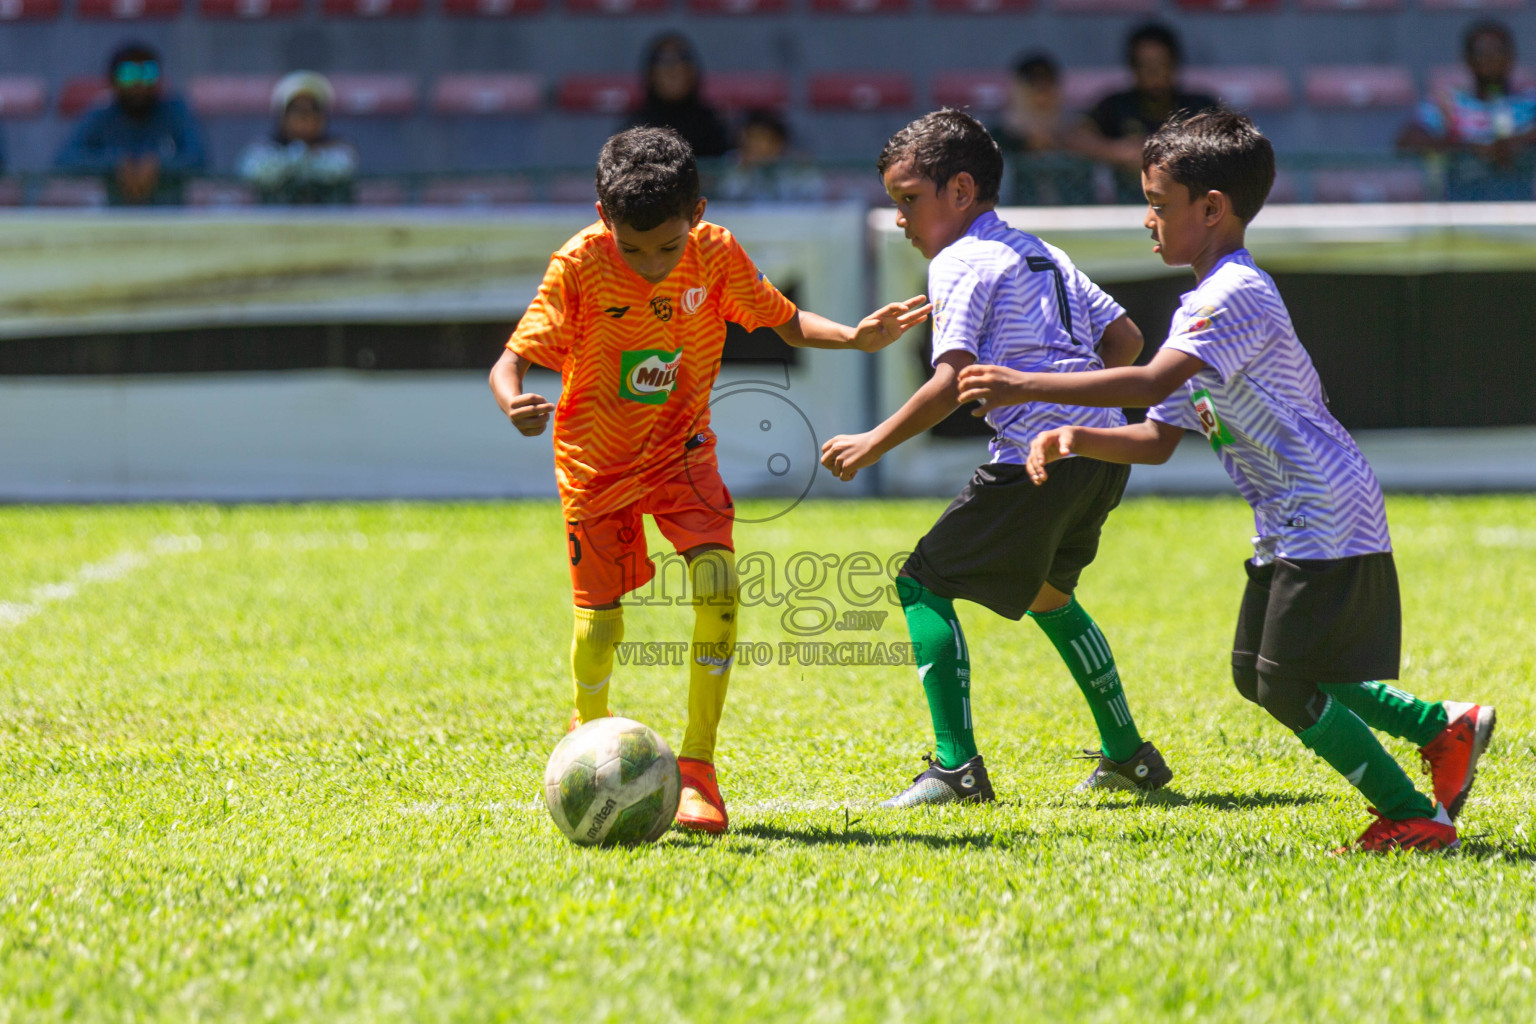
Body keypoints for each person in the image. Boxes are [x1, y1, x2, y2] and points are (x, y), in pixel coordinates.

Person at [958, 110, 1496, 853]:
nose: (1147, 220)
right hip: (1292, 515)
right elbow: (1155, 438)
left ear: (1212, 208)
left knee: (1286, 681)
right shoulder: (1201, 309)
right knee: (1260, 671)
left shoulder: (1230, 295)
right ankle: (1442, 728)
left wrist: (1024, 383)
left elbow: (1148, 380)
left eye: (1159, 203)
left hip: (1324, 508)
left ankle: (1411, 815)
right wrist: (1075, 434)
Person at [489, 127, 931, 834]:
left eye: (667, 247)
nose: (653, 264)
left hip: (681, 453)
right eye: (634, 249)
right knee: (602, 628)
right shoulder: (579, 265)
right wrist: (513, 400)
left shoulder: (715, 255)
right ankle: (589, 733)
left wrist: (853, 335)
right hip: (595, 465)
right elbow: (510, 360)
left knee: (719, 593)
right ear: (605, 219)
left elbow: (784, 323)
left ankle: (699, 769)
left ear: (696, 213)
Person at [819, 109, 1170, 807]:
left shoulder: (960, 260)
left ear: (960, 190)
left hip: (1036, 458)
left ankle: (955, 769)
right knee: (1051, 596)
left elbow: (951, 382)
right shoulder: (1039, 251)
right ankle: (1130, 756)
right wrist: (1073, 401)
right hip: (1100, 452)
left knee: (922, 582)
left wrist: (870, 443)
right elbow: (1126, 336)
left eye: (909, 200)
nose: (900, 220)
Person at [54, 42, 207, 206]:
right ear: (112, 81)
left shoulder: (176, 110)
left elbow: (199, 158)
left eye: (148, 72)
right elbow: (65, 159)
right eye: (128, 74)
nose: (139, 83)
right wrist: (115, 164)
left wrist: (158, 166)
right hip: (112, 213)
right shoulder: (102, 113)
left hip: (168, 212)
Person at [1399, 20, 1536, 201]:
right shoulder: (1448, 104)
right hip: (1462, 206)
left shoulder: (1529, 101)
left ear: (1511, 56)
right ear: (1467, 59)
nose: (1490, 59)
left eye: (1498, 51)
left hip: (1523, 207)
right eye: (1481, 53)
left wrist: (1515, 143)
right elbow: (1407, 141)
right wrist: (1468, 147)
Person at [1083, 24, 1218, 204]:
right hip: (1127, 205)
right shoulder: (1115, 105)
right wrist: (1118, 151)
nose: (1153, 74)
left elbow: (1236, 142)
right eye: (1145, 66)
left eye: (1161, 65)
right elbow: (1075, 136)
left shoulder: (1200, 106)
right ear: (1133, 67)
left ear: (1175, 64)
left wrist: (1175, 156)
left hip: (1191, 207)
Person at [239, 71, 358, 205]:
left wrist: (306, 160)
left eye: (312, 110)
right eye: (296, 110)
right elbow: (257, 171)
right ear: (282, 116)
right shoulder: (262, 148)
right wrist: (295, 156)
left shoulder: (339, 148)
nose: (304, 118)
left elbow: (340, 169)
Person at [994, 53, 1096, 206]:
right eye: (1034, 86)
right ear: (1017, 89)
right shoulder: (992, 138)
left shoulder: (1080, 133)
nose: (1041, 95)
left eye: (1048, 85)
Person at [626, 34, 732, 161]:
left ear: (692, 72)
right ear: (650, 75)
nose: (673, 72)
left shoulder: (713, 126)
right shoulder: (634, 129)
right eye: (664, 63)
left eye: (682, 61)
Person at [714, 109, 826, 202]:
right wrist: (743, 171)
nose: (755, 145)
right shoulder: (733, 162)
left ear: (779, 143)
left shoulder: (795, 165)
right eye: (751, 138)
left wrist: (803, 170)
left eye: (762, 139)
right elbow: (726, 196)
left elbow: (816, 194)